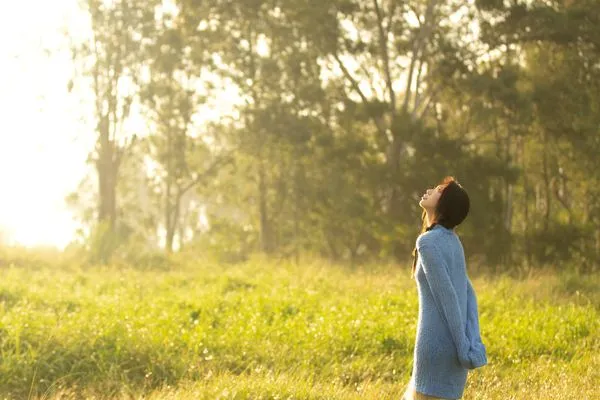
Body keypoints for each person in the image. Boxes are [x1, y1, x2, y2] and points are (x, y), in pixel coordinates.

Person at [402, 176, 488, 400]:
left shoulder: (427, 243)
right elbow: (468, 295)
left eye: (438, 190)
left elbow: (447, 298)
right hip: (453, 352)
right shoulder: (453, 242)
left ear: (444, 204)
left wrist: (462, 346)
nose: (430, 190)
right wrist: (467, 344)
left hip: (436, 348)